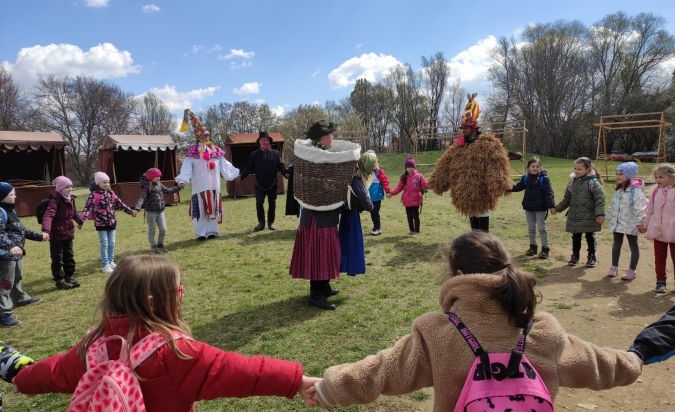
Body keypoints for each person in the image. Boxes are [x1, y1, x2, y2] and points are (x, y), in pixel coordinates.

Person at [308, 231, 643, 410]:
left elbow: (382, 371)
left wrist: (329, 388)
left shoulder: (436, 333)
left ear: (460, 274)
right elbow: (599, 365)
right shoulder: (544, 330)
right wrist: (635, 359)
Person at [12, 255, 321, 410]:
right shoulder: (177, 352)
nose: (182, 292)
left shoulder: (94, 343)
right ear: (153, 301)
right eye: (177, 289)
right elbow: (241, 370)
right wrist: (297, 380)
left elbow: (56, 372)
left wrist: (22, 379)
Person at [427, 93, 512, 232]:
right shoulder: (459, 147)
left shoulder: (486, 144)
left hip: (481, 191)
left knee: (482, 215)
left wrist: (501, 184)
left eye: (466, 128)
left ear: (473, 128)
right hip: (467, 192)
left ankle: (484, 244)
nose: (464, 130)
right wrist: (436, 182)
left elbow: (497, 164)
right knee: (472, 216)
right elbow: (445, 165)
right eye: (463, 128)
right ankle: (475, 243)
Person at [289, 120, 345, 310]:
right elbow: (319, 185)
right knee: (318, 254)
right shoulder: (313, 159)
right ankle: (316, 294)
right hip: (316, 216)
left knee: (327, 251)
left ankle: (325, 286)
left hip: (324, 214)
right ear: (323, 138)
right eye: (331, 135)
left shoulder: (320, 156)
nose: (333, 138)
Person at [175, 109, 240, 240]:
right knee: (201, 209)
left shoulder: (216, 151)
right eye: (204, 135)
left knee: (214, 209)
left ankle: (212, 232)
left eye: (208, 135)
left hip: (214, 187)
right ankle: (201, 233)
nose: (207, 137)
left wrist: (235, 174)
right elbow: (187, 168)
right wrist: (182, 180)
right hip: (200, 187)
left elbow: (224, 165)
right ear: (199, 136)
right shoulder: (193, 152)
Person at [0, 182, 46, 327]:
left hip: (16, 254)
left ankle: (19, 298)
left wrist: (39, 236)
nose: (15, 196)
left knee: (16, 277)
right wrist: (11, 246)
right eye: (11, 195)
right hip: (5, 255)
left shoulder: (11, 211)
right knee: (5, 283)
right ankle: (3, 313)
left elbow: (21, 230)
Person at [550, 157, 605, 267]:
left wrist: (600, 214)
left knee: (590, 236)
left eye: (579, 169)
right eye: (575, 168)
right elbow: (567, 199)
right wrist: (557, 208)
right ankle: (575, 256)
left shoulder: (593, 183)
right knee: (576, 237)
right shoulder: (572, 183)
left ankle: (591, 256)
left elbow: (600, 199)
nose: (576, 171)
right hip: (575, 215)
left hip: (589, 216)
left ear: (587, 169)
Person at [80, 172, 138, 274]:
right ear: (98, 183)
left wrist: (131, 211)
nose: (106, 184)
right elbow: (86, 209)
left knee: (112, 243)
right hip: (100, 224)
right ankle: (105, 264)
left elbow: (120, 204)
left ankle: (111, 261)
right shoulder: (93, 195)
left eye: (108, 182)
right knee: (104, 243)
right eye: (104, 182)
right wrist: (81, 221)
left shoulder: (111, 194)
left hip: (112, 222)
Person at [41, 176, 85, 290]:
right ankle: (59, 280)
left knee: (69, 255)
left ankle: (69, 276)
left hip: (68, 233)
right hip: (57, 235)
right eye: (67, 187)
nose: (70, 189)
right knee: (57, 258)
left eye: (71, 186)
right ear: (60, 188)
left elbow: (74, 212)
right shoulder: (55, 201)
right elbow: (48, 215)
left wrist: (80, 221)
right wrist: (46, 230)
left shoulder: (71, 199)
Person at [637, 163, 675, 293]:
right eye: (656, 177)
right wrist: (645, 226)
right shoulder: (655, 192)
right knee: (659, 257)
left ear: (671, 177)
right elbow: (649, 211)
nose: (657, 180)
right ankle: (660, 281)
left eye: (661, 177)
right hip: (658, 230)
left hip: (673, 231)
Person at [238, 131, 286, 231]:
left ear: (269, 142)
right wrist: (241, 176)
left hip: (273, 184)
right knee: (259, 203)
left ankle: (271, 222)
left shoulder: (275, 153)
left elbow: (281, 166)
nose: (265, 142)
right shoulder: (254, 155)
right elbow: (248, 167)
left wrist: (286, 173)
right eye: (263, 140)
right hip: (260, 184)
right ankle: (261, 223)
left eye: (267, 140)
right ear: (259, 141)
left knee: (272, 203)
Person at [606, 162, 646, 280]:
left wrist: (639, 223)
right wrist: (606, 216)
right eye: (617, 174)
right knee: (616, 244)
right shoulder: (618, 189)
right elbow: (613, 205)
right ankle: (614, 266)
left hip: (631, 224)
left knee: (633, 245)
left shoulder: (635, 191)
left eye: (621, 174)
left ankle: (632, 270)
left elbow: (639, 208)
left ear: (629, 175)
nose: (618, 176)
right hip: (618, 223)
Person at [511, 156, 555, 259]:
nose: (535, 168)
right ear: (528, 167)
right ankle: (533, 247)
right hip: (529, 208)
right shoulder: (526, 178)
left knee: (541, 228)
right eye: (533, 166)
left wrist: (551, 206)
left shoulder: (544, 179)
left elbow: (549, 193)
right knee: (531, 228)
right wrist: (508, 188)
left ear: (540, 167)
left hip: (541, 208)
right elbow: (518, 187)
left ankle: (545, 248)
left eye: (537, 166)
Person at [339, 153, 374, 276]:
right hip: (351, 215)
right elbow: (368, 205)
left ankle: (345, 265)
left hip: (346, 214)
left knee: (346, 242)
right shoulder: (355, 180)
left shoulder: (351, 178)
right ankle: (351, 267)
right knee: (352, 243)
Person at [132, 168, 182, 254]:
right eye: (157, 176)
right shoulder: (146, 187)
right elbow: (142, 198)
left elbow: (168, 190)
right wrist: (137, 209)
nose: (159, 178)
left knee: (163, 229)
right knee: (152, 230)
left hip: (160, 211)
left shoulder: (159, 184)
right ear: (151, 177)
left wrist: (179, 188)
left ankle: (160, 245)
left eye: (159, 176)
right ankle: (154, 247)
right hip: (151, 212)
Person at [387, 157, 428, 236]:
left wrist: (434, 184)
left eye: (412, 167)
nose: (410, 169)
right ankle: (411, 230)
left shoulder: (419, 176)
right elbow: (399, 188)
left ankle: (417, 231)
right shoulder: (403, 177)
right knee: (409, 216)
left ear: (414, 167)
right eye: (408, 167)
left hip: (416, 200)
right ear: (406, 168)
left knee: (415, 216)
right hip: (407, 201)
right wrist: (391, 193)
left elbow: (425, 185)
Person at [364, 150, 390, 236]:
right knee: (372, 211)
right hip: (368, 195)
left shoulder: (379, 171)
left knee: (375, 211)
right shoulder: (364, 171)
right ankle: (375, 226)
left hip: (377, 195)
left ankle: (377, 228)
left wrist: (388, 191)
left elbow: (385, 181)